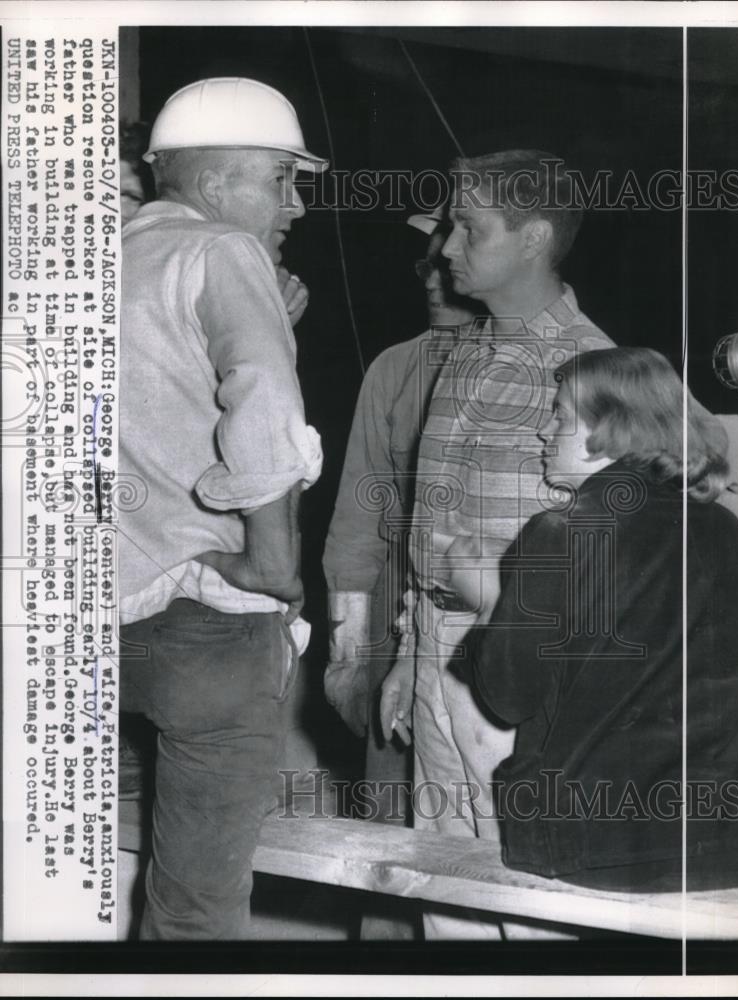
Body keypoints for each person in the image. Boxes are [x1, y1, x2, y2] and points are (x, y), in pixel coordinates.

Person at [380, 149, 614, 938]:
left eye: (468, 227)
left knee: (533, 892)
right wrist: (412, 650)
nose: (446, 247)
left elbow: (619, 559)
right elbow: (428, 531)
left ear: (533, 237)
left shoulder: (594, 370)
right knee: (443, 887)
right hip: (437, 653)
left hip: (524, 665)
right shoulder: (464, 357)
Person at [118, 77, 327, 939]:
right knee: (195, 909)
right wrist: (271, 567)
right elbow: (264, 408)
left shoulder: (95, 259)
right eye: (282, 180)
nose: (298, 206)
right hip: (206, 620)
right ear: (212, 185)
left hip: (85, 618)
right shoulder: (222, 253)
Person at [469, 347, 738, 893]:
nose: (544, 432)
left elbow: (508, 698)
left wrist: (488, 601)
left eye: (559, 415)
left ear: (609, 427)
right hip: (723, 836)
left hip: (591, 838)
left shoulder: (560, 533)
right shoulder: (725, 529)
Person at [322, 208, 477, 938]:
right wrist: (349, 655)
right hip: (394, 612)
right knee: (389, 827)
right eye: (425, 266)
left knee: (480, 835)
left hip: (487, 617)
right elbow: (356, 523)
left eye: (449, 263)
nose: (434, 280)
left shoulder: (547, 358)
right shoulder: (394, 367)